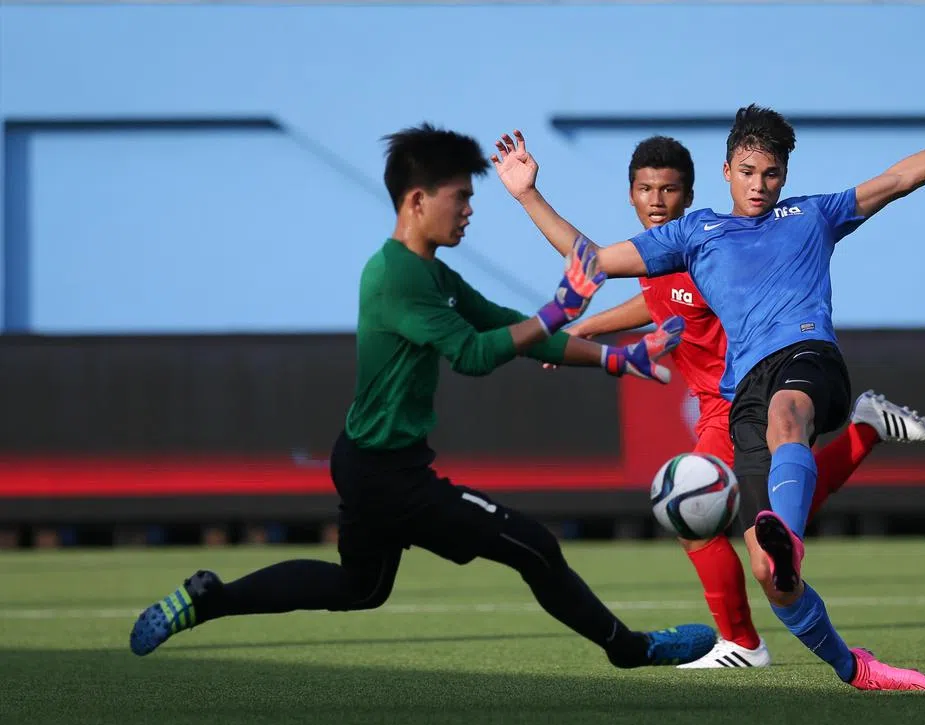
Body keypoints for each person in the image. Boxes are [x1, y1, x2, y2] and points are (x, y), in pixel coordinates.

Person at [494, 88, 925, 690]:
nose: (759, 184)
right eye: (748, 172)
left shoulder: (812, 215)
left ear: (785, 176)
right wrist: (527, 194)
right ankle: (854, 667)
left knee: (788, 420)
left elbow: (900, 177)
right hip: (741, 392)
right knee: (769, 576)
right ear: (727, 171)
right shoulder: (694, 234)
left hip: (806, 359)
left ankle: (791, 540)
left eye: (771, 173)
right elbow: (589, 258)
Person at [128, 123, 719, 669]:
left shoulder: (430, 272)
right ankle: (630, 649)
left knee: (359, 588)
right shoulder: (396, 278)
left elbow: (506, 327)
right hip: (389, 477)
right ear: (417, 201)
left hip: (372, 461)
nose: (468, 210)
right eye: (458, 197)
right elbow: (474, 354)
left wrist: (615, 355)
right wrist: (563, 307)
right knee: (532, 547)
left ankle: (208, 597)